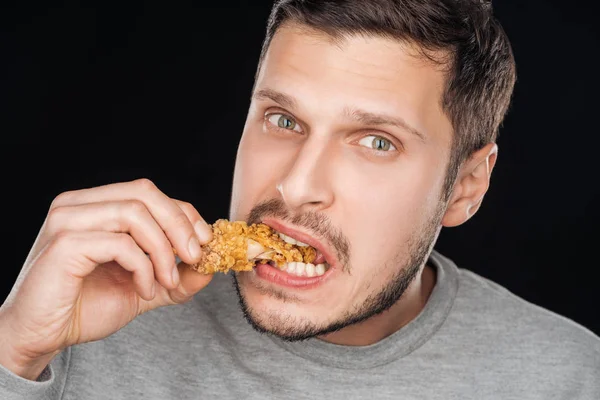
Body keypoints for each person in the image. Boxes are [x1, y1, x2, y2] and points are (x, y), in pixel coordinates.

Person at [1, 0, 598, 398]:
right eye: (283, 121)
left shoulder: (571, 378)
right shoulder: (86, 322)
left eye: (376, 141)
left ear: (465, 187)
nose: (297, 185)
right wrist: (13, 348)